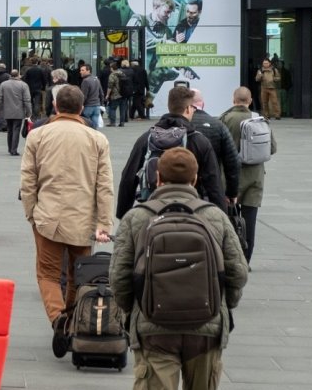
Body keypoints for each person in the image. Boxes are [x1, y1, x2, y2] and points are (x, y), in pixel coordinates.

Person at [111, 147, 248, 390]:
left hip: (154, 330)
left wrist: (133, 314)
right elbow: (238, 272)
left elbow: (119, 277)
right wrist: (223, 307)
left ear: (156, 178)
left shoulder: (137, 218)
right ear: (195, 178)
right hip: (206, 330)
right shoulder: (214, 217)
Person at [20, 86, 115, 355]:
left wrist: (31, 212)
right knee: (79, 275)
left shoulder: (37, 135)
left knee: (48, 274)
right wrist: (104, 224)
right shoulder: (97, 139)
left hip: (47, 217)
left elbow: (28, 180)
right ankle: (72, 319)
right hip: (83, 220)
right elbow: (104, 185)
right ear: (82, 108)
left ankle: (56, 316)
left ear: (55, 106)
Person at [116, 87, 227, 217]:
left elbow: (128, 177)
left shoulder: (147, 138)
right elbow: (213, 183)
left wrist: (123, 214)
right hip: (191, 213)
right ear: (187, 109)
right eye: (193, 108)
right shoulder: (199, 141)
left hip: (153, 211)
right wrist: (221, 217)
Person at [220, 87, 276, 263]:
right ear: (250, 101)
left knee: (228, 220)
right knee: (249, 221)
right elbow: (272, 148)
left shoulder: (225, 119)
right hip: (255, 177)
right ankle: (246, 260)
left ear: (233, 99)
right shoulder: (259, 120)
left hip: (230, 177)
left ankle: (230, 258)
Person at [188, 89, 239, 207]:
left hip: (181, 190)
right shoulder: (218, 125)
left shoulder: (174, 125)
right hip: (211, 189)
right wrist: (231, 193)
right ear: (203, 104)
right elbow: (233, 162)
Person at [0, 65, 33, 156]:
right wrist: (29, 112)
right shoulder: (24, 85)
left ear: (10, 75)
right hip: (19, 111)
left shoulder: (3, 84)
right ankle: (14, 149)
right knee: (16, 129)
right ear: (18, 75)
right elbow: (27, 100)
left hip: (7, 110)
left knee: (10, 129)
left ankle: (9, 148)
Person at [78, 64, 104, 128]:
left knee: (86, 125)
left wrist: (81, 105)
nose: (80, 72)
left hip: (88, 106)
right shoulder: (96, 79)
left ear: (88, 71)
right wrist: (101, 103)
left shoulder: (85, 81)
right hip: (96, 105)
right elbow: (101, 93)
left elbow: (84, 95)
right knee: (94, 125)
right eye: (80, 70)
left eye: (82, 70)